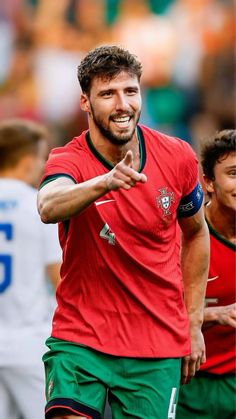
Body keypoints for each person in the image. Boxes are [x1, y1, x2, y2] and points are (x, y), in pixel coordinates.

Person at [37, 45, 210, 419]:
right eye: (107, 94)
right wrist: (103, 183)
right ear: (85, 102)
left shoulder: (177, 156)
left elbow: (197, 233)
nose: (122, 104)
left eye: (130, 91)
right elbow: (49, 205)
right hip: (81, 339)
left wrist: (193, 322)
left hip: (156, 341)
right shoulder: (69, 159)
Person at [0, 119, 62, 419]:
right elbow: (59, 278)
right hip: (28, 339)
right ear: (26, 161)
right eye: (41, 159)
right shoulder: (37, 206)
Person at [177, 129, 236, 419]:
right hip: (188, 381)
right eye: (234, 174)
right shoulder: (183, 238)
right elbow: (151, 307)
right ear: (208, 183)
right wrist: (212, 315)